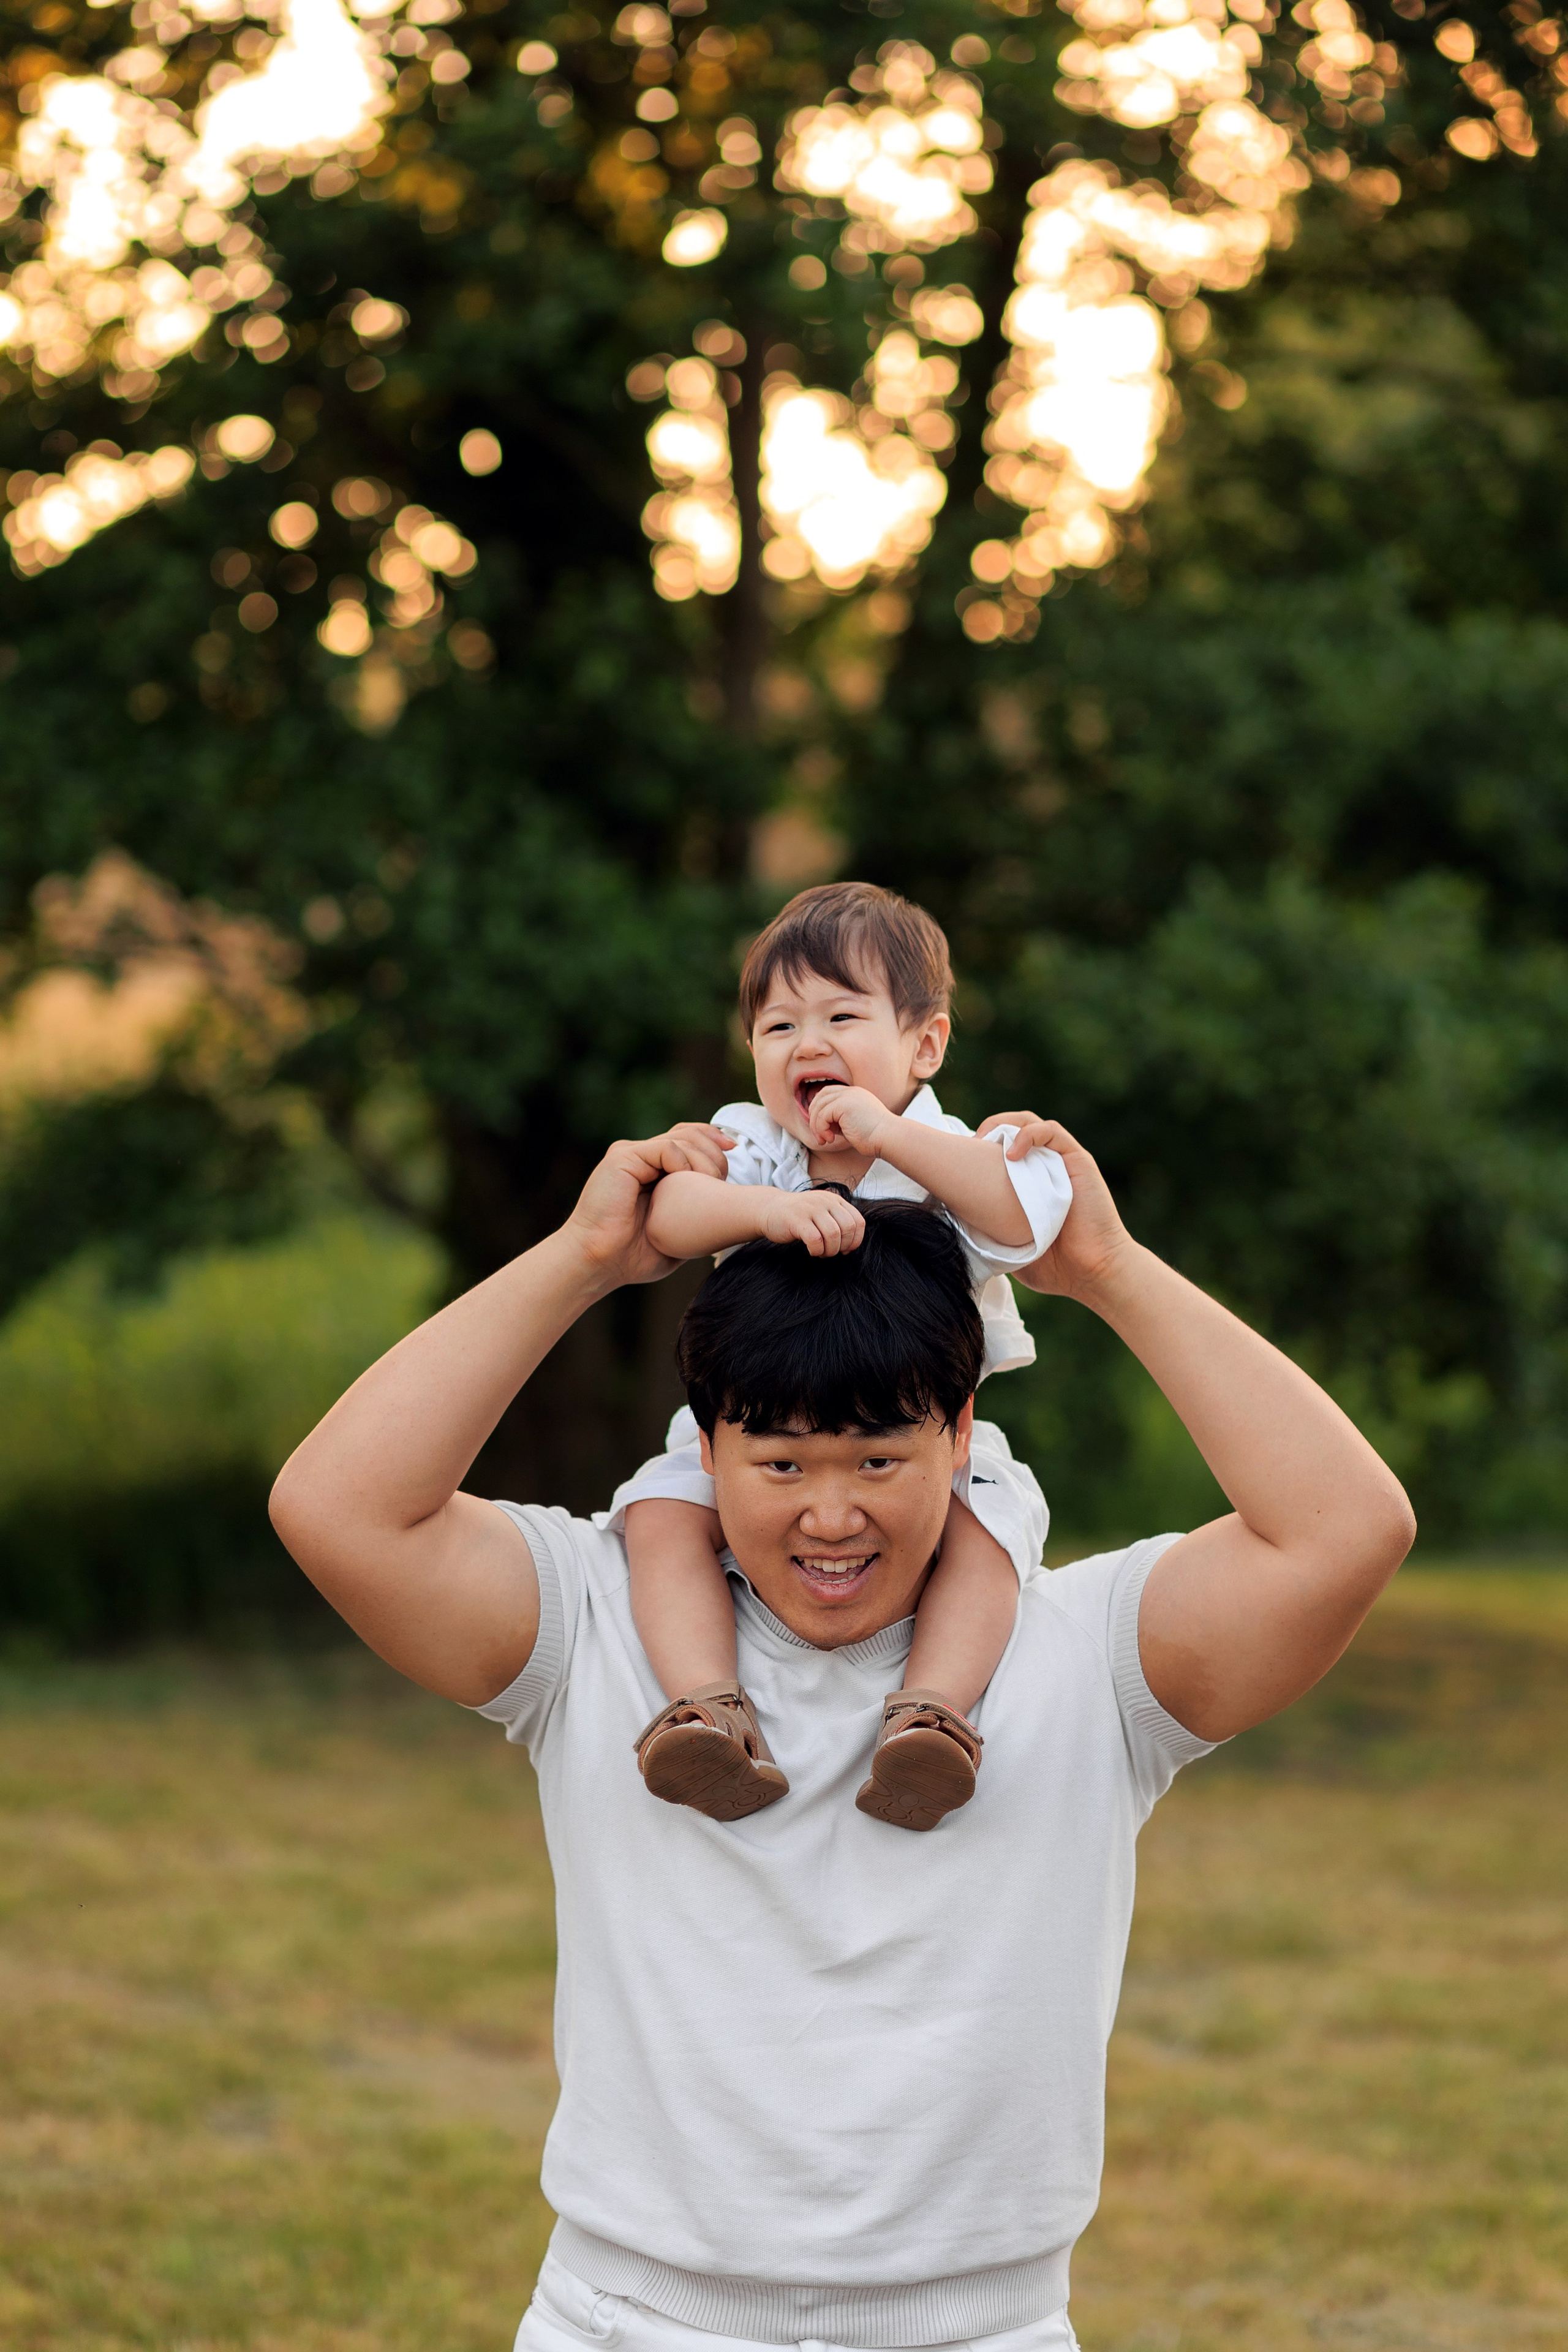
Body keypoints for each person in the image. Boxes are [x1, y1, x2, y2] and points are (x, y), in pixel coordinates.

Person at [269, 1115, 1414, 2352]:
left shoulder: (1084, 1653)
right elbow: (337, 1508)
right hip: (631, 2320)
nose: (830, 1517)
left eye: (879, 1458)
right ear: (703, 1448)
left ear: (962, 1432)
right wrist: (585, 1256)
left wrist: (1104, 1270)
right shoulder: (600, 1621)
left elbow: (1344, 1531)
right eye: (777, 1464)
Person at [618, 879, 1072, 1832]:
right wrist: (768, 1211)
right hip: (757, 1421)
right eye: (778, 1027)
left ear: (926, 1044)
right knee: (660, 1514)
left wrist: (888, 1134)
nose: (806, 1043)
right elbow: (664, 1215)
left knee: (989, 1535)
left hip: (921, 1437)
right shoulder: (756, 1146)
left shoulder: (947, 1147)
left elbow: (1025, 1220)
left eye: (840, 1014)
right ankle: (708, 1710)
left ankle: (933, 1719)